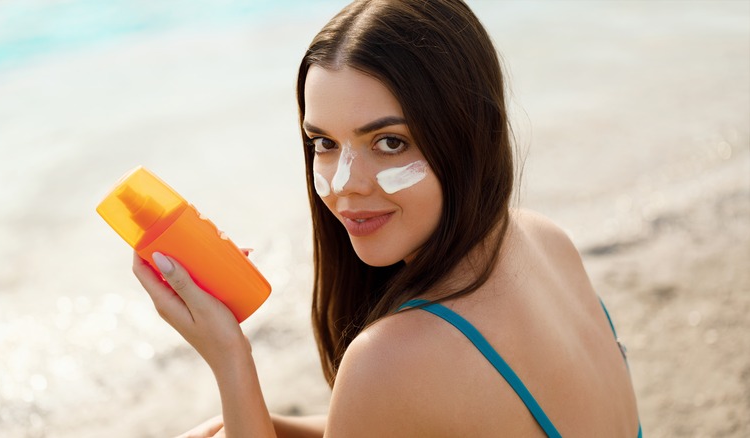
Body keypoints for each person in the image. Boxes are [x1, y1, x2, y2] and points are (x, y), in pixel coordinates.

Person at [133, 0, 642, 436]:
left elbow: (393, 395)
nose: (346, 182)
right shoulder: (545, 241)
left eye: (389, 142)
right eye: (324, 143)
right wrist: (259, 422)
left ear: (467, 135)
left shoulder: (392, 359)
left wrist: (229, 359)